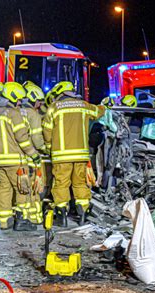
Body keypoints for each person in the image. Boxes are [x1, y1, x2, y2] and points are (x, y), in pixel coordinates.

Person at [43, 81, 106, 227]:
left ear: (60, 93)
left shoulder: (54, 108)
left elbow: (47, 131)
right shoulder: (83, 105)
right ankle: (83, 213)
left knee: (61, 184)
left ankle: (62, 216)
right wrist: (105, 105)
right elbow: (98, 112)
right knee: (80, 184)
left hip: (61, 155)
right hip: (81, 155)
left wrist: (48, 147)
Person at [0, 82, 40, 231]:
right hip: (16, 160)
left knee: (4, 189)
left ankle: (4, 220)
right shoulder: (14, 113)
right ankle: (22, 220)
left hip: (0, 160)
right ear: (12, 97)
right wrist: (33, 155)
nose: (20, 103)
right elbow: (22, 138)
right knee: (23, 190)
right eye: (19, 99)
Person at [20, 84, 47, 224]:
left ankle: (23, 216)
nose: (39, 105)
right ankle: (34, 218)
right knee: (34, 189)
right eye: (39, 102)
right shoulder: (33, 114)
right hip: (31, 157)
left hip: (18, 157)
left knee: (21, 188)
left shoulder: (17, 111)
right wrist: (44, 148)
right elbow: (36, 139)